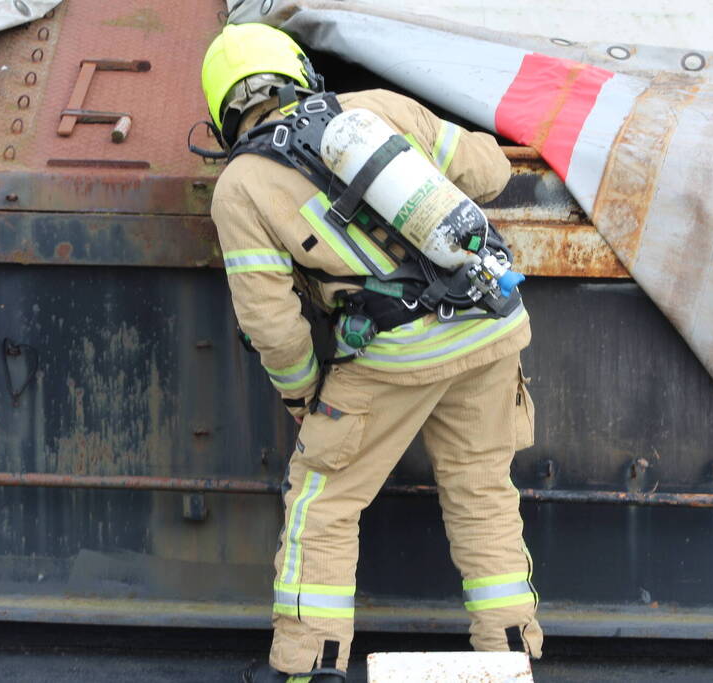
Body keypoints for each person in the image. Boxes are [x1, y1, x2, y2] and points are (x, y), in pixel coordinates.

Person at [200, 22, 542, 683]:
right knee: (481, 490)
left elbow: (273, 325)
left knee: (323, 499)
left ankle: (307, 665)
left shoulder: (240, 186)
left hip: (396, 352)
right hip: (491, 323)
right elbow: (490, 170)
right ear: (299, 72)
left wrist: (304, 396)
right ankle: (509, 654)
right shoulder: (375, 107)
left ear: (223, 114)